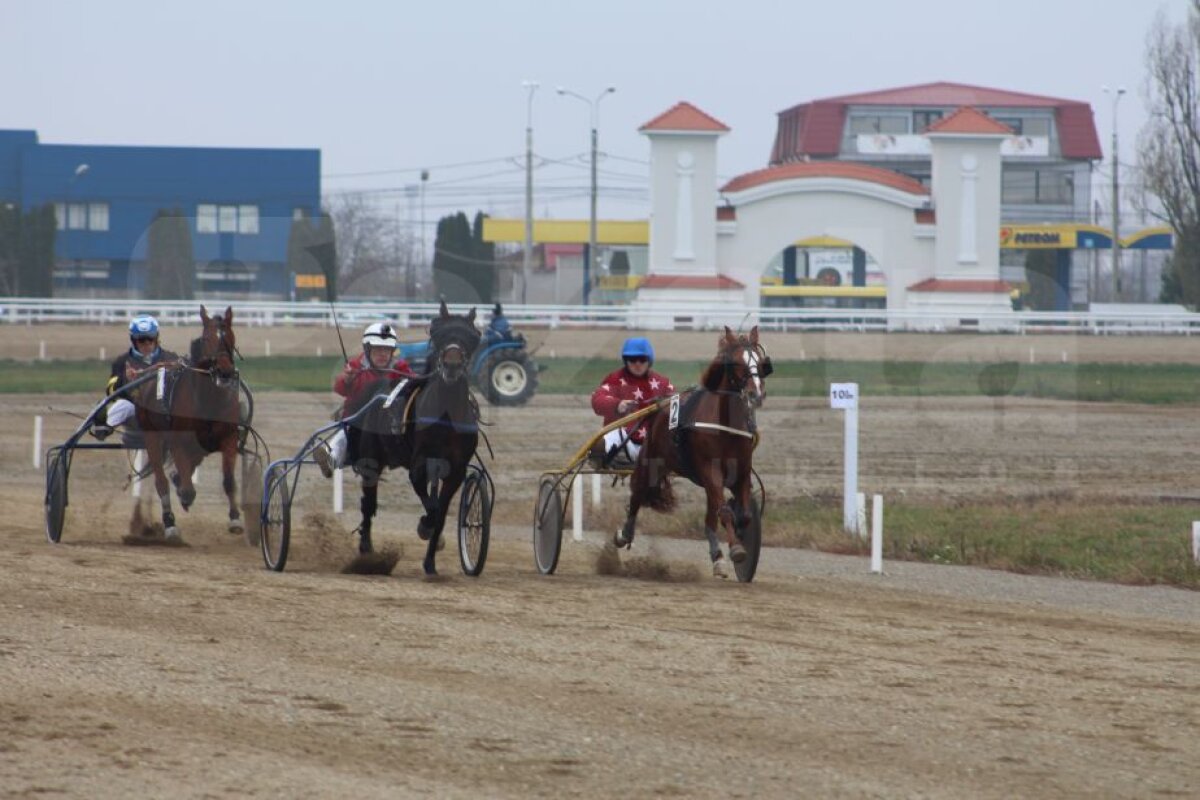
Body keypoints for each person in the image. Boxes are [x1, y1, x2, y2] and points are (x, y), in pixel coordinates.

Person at [314, 322, 412, 478]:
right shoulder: (355, 367)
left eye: (387, 350)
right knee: (344, 435)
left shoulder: (400, 368)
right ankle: (329, 459)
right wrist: (347, 379)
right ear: (367, 349)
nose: (383, 354)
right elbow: (340, 388)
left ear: (393, 351)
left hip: (389, 421)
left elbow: (413, 384)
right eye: (378, 349)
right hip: (357, 420)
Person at [590, 337, 675, 465]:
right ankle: (604, 457)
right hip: (624, 443)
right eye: (632, 360)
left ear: (649, 360)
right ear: (626, 360)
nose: (637, 364)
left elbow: (677, 408)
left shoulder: (663, 383)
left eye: (642, 359)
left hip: (652, 446)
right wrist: (617, 405)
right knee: (611, 436)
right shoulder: (614, 380)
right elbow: (597, 400)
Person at [91, 315, 179, 440]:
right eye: (142, 340)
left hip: (165, 410)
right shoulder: (122, 362)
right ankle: (104, 428)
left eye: (151, 339)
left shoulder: (170, 358)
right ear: (133, 340)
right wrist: (126, 380)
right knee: (123, 405)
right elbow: (110, 390)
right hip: (136, 408)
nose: (147, 343)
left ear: (157, 338)